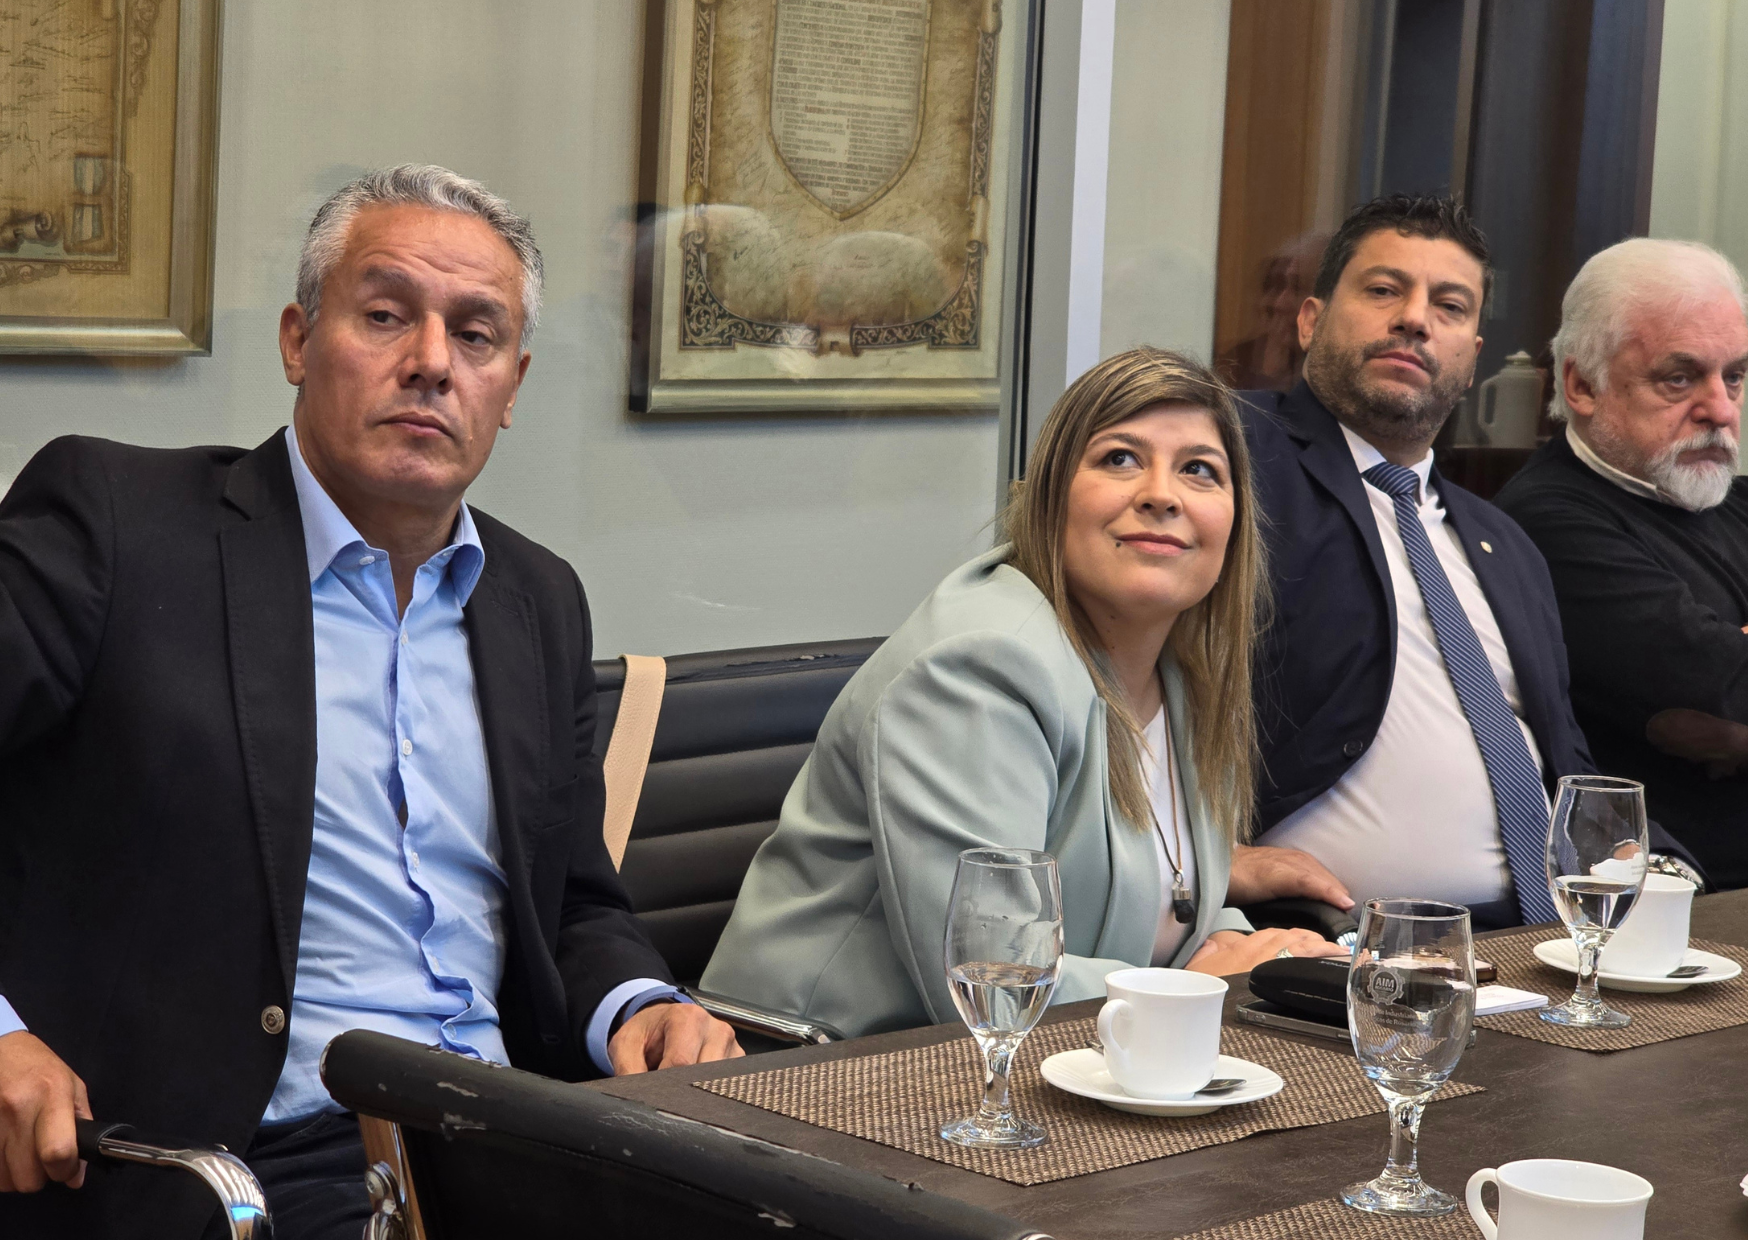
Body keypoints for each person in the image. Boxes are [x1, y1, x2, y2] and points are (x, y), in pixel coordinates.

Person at [0, 166, 739, 1240]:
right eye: (386, 315)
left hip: (513, 1136)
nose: (431, 363)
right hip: (243, 1163)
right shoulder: (120, 527)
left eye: (475, 336)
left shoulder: (534, 600)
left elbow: (574, 904)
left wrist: (643, 1005)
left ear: (513, 383)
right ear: (300, 340)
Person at [700, 348, 1343, 1040]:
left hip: (1062, 1063)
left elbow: (1166, 890)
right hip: (814, 1071)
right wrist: (1200, 985)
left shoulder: (1183, 676)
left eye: (1199, 470)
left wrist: (1258, 949)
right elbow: (993, 979)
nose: (1163, 493)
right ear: (1049, 498)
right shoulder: (981, 666)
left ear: (1235, 522)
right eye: (1120, 458)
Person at [1231, 194, 1697, 932]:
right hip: (1337, 945)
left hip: (1548, 938)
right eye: (1384, 290)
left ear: (1473, 356)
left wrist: (1664, 873)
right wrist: (1192, 858)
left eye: (1449, 305)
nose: (1415, 319)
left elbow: (1561, 758)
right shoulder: (1236, 463)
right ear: (1310, 320)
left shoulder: (1503, 542)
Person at [1495, 239, 1748, 888]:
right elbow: (1726, 681)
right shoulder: (1548, 520)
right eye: (1679, 377)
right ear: (1581, 384)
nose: (1721, 410)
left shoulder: (1727, 498)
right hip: (1675, 904)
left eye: (1735, 376)